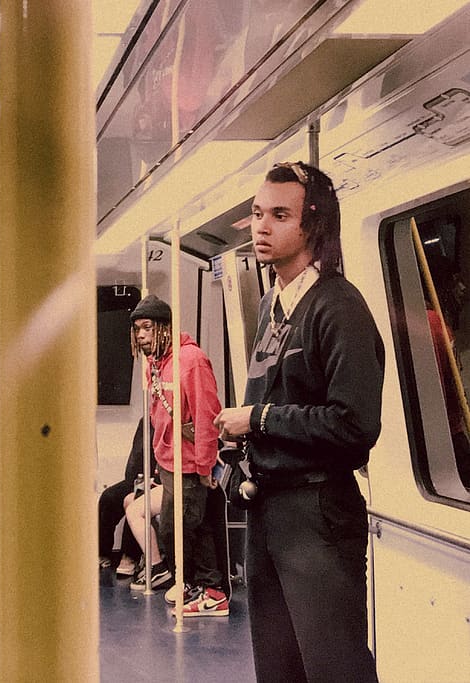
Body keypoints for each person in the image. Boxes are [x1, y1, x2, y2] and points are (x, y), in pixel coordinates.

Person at [214, 161, 384, 682]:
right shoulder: (272, 305)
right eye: (258, 213)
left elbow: (354, 424)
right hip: (267, 508)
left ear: (313, 226)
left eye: (279, 215)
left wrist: (258, 419)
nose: (261, 227)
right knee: (279, 668)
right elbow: (266, 393)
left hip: (318, 512)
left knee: (335, 668)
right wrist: (237, 458)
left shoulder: (338, 308)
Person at [130, 295, 227, 616]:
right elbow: (159, 417)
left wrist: (205, 465)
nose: (141, 336)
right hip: (168, 463)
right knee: (173, 528)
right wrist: (159, 461)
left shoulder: (191, 360)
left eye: (148, 328)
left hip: (190, 464)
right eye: (137, 330)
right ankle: (192, 582)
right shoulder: (156, 365)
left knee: (190, 527)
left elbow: (206, 414)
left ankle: (212, 591)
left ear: (165, 329)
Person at [98, 417, 156, 576]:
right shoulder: (147, 420)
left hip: (159, 480)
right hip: (137, 479)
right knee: (108, 497)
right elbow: (136, 458)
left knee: (135, 500)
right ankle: (102, 552)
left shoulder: (171, 420)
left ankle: (130, 556)